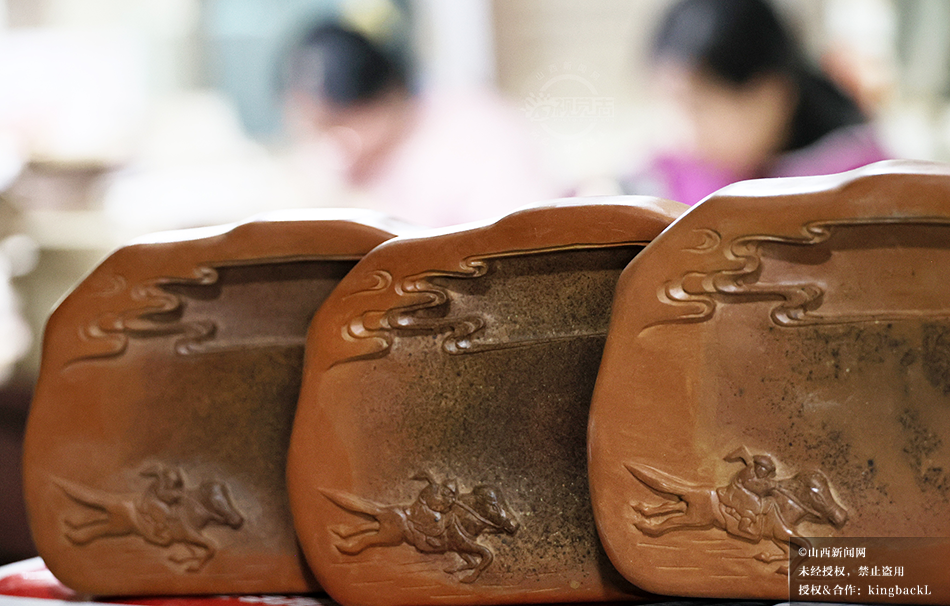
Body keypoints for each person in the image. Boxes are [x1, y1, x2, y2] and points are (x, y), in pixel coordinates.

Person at [282, 22, 554, 227]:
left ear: (387, 97)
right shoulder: (333, 161)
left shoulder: (476, 136)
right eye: (313, 132)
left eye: (338, 125)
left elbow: (517, 240)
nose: (331, 150)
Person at [624, 0, 889, 205]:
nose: (680, 131)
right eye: (668, 105)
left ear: (771, 95)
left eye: (697, 106)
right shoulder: (669, 173)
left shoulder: (853, 180)